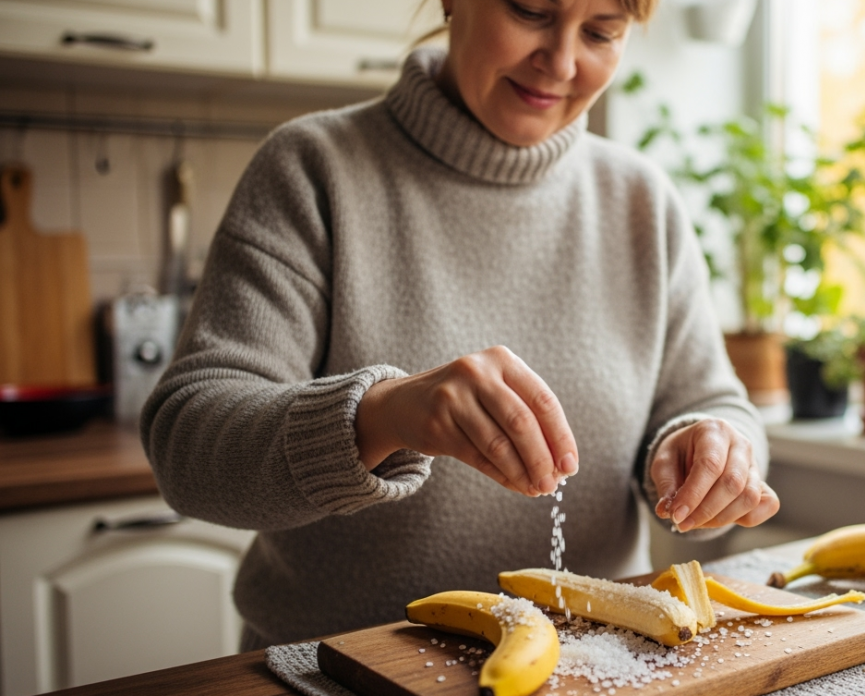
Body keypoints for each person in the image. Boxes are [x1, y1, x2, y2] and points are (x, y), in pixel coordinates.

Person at [141, 0, 778, 650]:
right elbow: (186, 445)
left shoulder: (644, 202)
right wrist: (380, 414)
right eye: (531, 10)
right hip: (334, 673)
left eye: (600, 31)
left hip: (596, 667)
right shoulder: (311, 169)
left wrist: (710, 449)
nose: (560, 62)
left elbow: (712, 401)